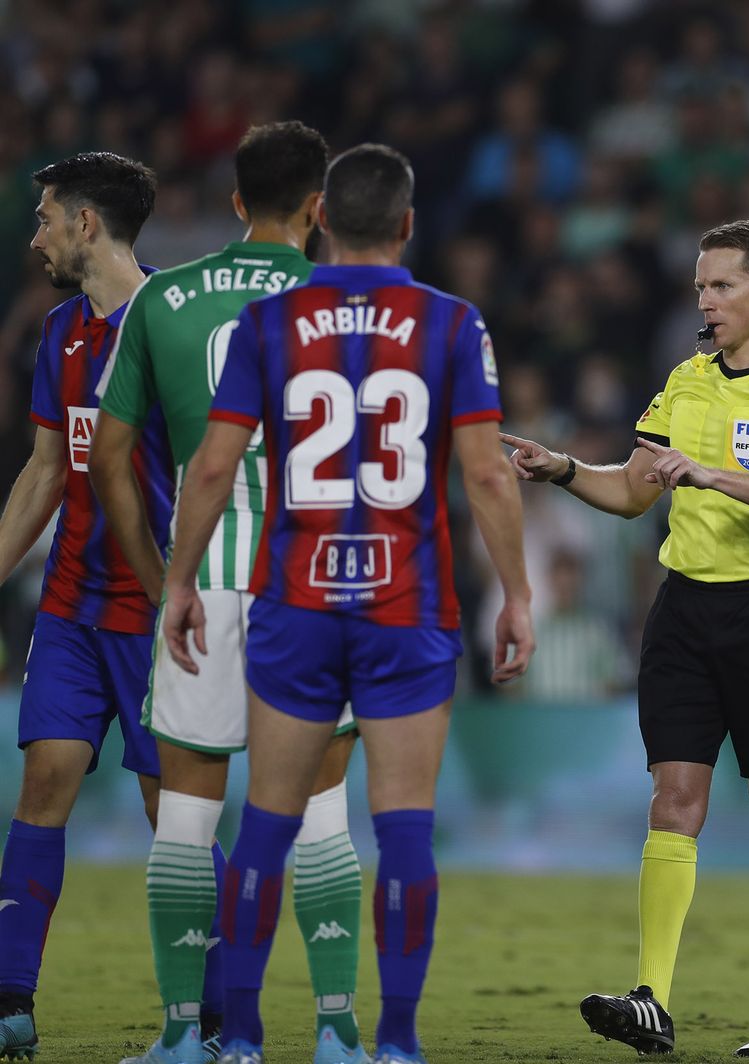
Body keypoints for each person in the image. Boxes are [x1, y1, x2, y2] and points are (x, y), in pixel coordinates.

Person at [160, 143, 533, 1064]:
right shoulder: (453, 323)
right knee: (404, 822)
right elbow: (486, 473)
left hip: (296, 601)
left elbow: (212, 465)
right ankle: (394, 1043)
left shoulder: (269, 321)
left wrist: (179, 580)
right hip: (406, 604)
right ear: (409, 224)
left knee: (267, 826)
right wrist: (518, 595)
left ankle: (240, 1038)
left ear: (321, 217)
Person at [501, 219, 749, 1058]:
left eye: (723, 285)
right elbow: (631, 492)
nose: (705, 300)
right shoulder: (685, 382)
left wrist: (708, 474)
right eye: (700, 285)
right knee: (674, 803)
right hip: (685, 612)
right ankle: (652, 997)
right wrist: (561, 470)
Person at [90, 122, 370, 1064]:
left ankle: (183, 1040)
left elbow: (111, 459)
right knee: (324, 815)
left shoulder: (163, 300)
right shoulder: (346, 303)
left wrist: (156, 579)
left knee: (186, 816)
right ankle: (334, 1033)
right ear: (320, 209)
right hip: (314, 591)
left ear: (237, 201)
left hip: (203, 585)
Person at [0, 151, 166, 1060]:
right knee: (46, 781)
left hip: (156, 611)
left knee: (168, 811)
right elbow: (43, 470)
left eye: (47, 220)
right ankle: (9, 1002)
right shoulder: (61, 331)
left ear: (86, 226)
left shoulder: (180, 326)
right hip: (69, 608)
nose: (37, 239)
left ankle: (216, 1014)